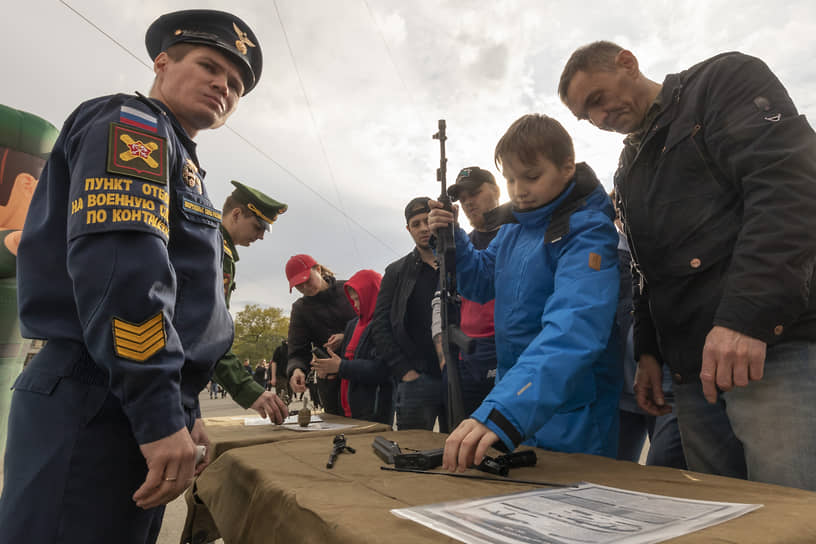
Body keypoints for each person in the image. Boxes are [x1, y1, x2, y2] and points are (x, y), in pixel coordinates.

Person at [0, 9, 264, 543]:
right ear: (162, 63)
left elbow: (186, 301)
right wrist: (159, 409)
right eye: (210, 66)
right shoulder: (132, 124)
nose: (223, 86)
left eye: (236, 84)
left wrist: (182, 406)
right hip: (95, 395)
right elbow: (124, 275)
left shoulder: (179, 155)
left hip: (127, 398)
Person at [559, 42, 816, 490]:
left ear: (627, 61)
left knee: (790, 515)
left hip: (774, 350)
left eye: (597, 99)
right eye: (587, 115)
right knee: (716, 519)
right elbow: (645, 268)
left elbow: (788, 190)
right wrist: (649, 353)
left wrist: (747, 319)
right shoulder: (626, 167)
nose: (599, 119)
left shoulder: (722, 83)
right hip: (692, 375)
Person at [428, 114, 621, 472]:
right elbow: (482, 280)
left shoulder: (589, 231)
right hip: (516, 400)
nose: (519, 190)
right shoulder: (515, 228)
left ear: (566, 167)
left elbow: (574, 329)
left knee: (576, 507)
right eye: (511, 179)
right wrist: (454, 238)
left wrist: (503, 410)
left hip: (572, 409)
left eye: (531, 177)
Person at [610, 190, 685, 468]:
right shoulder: (606, 251)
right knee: (617, 475)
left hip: (665, 382)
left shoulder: (667, 247)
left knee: (664, 470)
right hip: (620, 387)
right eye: (618, 211)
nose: (623, 217)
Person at [210, 180, 288, 420]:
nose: (261, 236)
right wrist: (245, 387)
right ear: (236, 214)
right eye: (257, 227)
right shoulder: (212, 249)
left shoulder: (219, 248)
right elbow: (207, 330)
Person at [371, 197, 446, 431]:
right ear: (408, 229)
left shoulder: (460, 262)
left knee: (463, 455)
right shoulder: (396, 272)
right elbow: (380, 325)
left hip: (459, 378)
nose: (424, 228)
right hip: (417, 380)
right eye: (416, 224)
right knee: (413, 455)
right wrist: (404, 370)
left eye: (427, 221)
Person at [435, 166, 501, 417]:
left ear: (497, 190)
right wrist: (444, 357)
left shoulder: (515, 234)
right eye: (462, 199)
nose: (467, 203)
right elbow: (441, 300)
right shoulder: (458, 244)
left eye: (474, 193)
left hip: (505, 353)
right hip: (466, 357)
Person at [312, 269, 394, 425]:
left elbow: (383, 369)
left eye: (359, 299)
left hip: (373, 413)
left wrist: (340, 366)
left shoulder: (385, 324)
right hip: (346, 411)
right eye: (352, 299)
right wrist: (328, 371)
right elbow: (344, 367)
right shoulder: (352, 325)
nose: (355, 304)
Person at [286, 254, 355, 414]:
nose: (305, 288)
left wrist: (347, 336)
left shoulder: (348, 289)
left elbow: (371, 324)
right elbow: (297, 350)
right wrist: (296, 370)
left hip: (363, 376)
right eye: (298, 286)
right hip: (330, 382)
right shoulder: (300, 308)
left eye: (307, 280)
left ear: (318, 269)